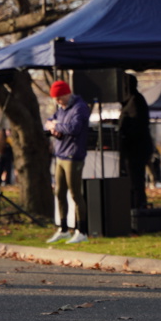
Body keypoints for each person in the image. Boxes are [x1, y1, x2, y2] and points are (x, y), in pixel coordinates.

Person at [43, 80, 91, 245]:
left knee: (75, 194)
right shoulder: (61, 110)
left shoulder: (79, 107)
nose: (57, 101)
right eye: (55, 99)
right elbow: (48, 123)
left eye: (59, 98)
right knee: (59, 193)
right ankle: (63, 229)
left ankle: (81, 230)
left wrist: (57, 126)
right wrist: (54, 127)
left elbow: (74, 128)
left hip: (73, 156)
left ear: (67, 93)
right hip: (60, 155)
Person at [118, 74, 152, 210]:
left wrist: (123, 129)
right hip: (134, 148)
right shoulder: (131, 101)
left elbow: (137, 125)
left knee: (136, 181)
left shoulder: (135, 101)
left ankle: (137, 207)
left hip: (136, 149)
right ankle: (134, 206)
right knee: (133, 181)